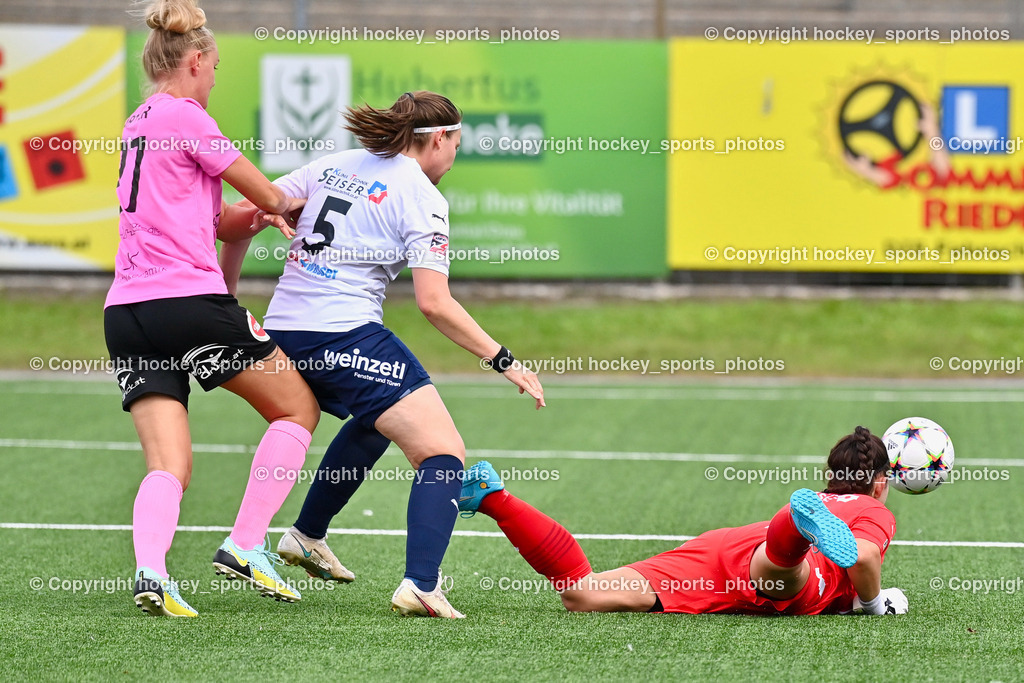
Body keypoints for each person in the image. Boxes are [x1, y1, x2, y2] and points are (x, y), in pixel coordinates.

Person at [220, 91, 545, 619]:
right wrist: (504, 359)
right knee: (442, 454)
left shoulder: (336, 162)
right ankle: (421, 585)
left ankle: (306, 536)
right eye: (456, 145)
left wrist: (229, 281)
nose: (454, 157)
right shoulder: (421, 196)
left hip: (285, 330)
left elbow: (247, 214)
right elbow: (434, 304)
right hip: (341, 334)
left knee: (378, 421)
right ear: (439, 138)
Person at [104, 0, 320, 617]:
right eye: (216, 66)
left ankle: (152, 573)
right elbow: (274, 194)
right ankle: (247, 544)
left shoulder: (137, 122)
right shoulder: (189, 118)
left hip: (127, 313)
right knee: (297, 408)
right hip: (186, 304)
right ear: (195, 60)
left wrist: (251, 219)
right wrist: (301, 201)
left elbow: (218, 219)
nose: (216, 77)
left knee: (167, 463)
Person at [458, 426, 908, 616]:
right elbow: (865, 556)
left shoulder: (840, 501)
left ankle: (493, 496)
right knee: (786, 572)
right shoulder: (871, 508)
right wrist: (874, 606)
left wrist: (853, 601)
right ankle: (792, 528)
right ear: (880, 482)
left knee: (582, 594)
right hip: (780, 567)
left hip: (723, 550)